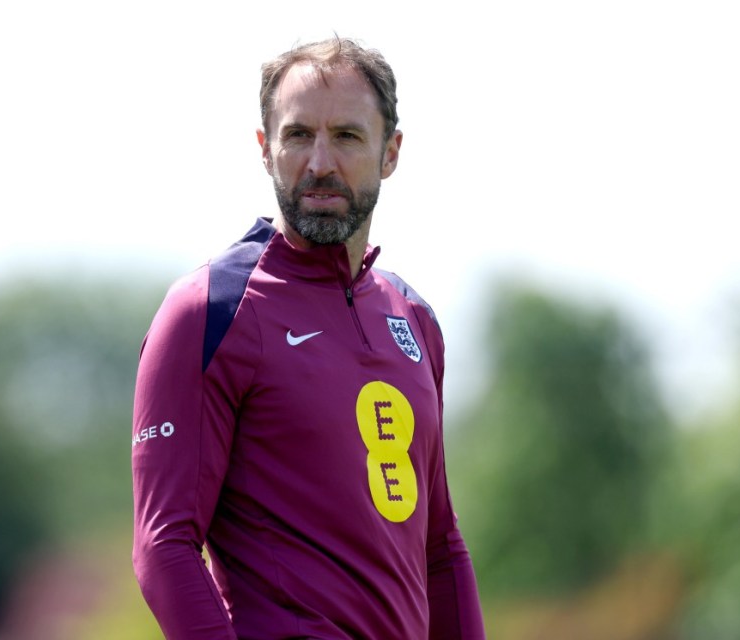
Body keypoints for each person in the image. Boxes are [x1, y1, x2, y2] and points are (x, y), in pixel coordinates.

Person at [132, 36, 485, 639]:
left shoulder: (415, 319)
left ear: (391, 152)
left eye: (347, 136)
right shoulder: (210, 310)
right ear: (266, 150)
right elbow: (164, 545)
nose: (320, 162)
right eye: (298, 135)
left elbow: (440, 547)